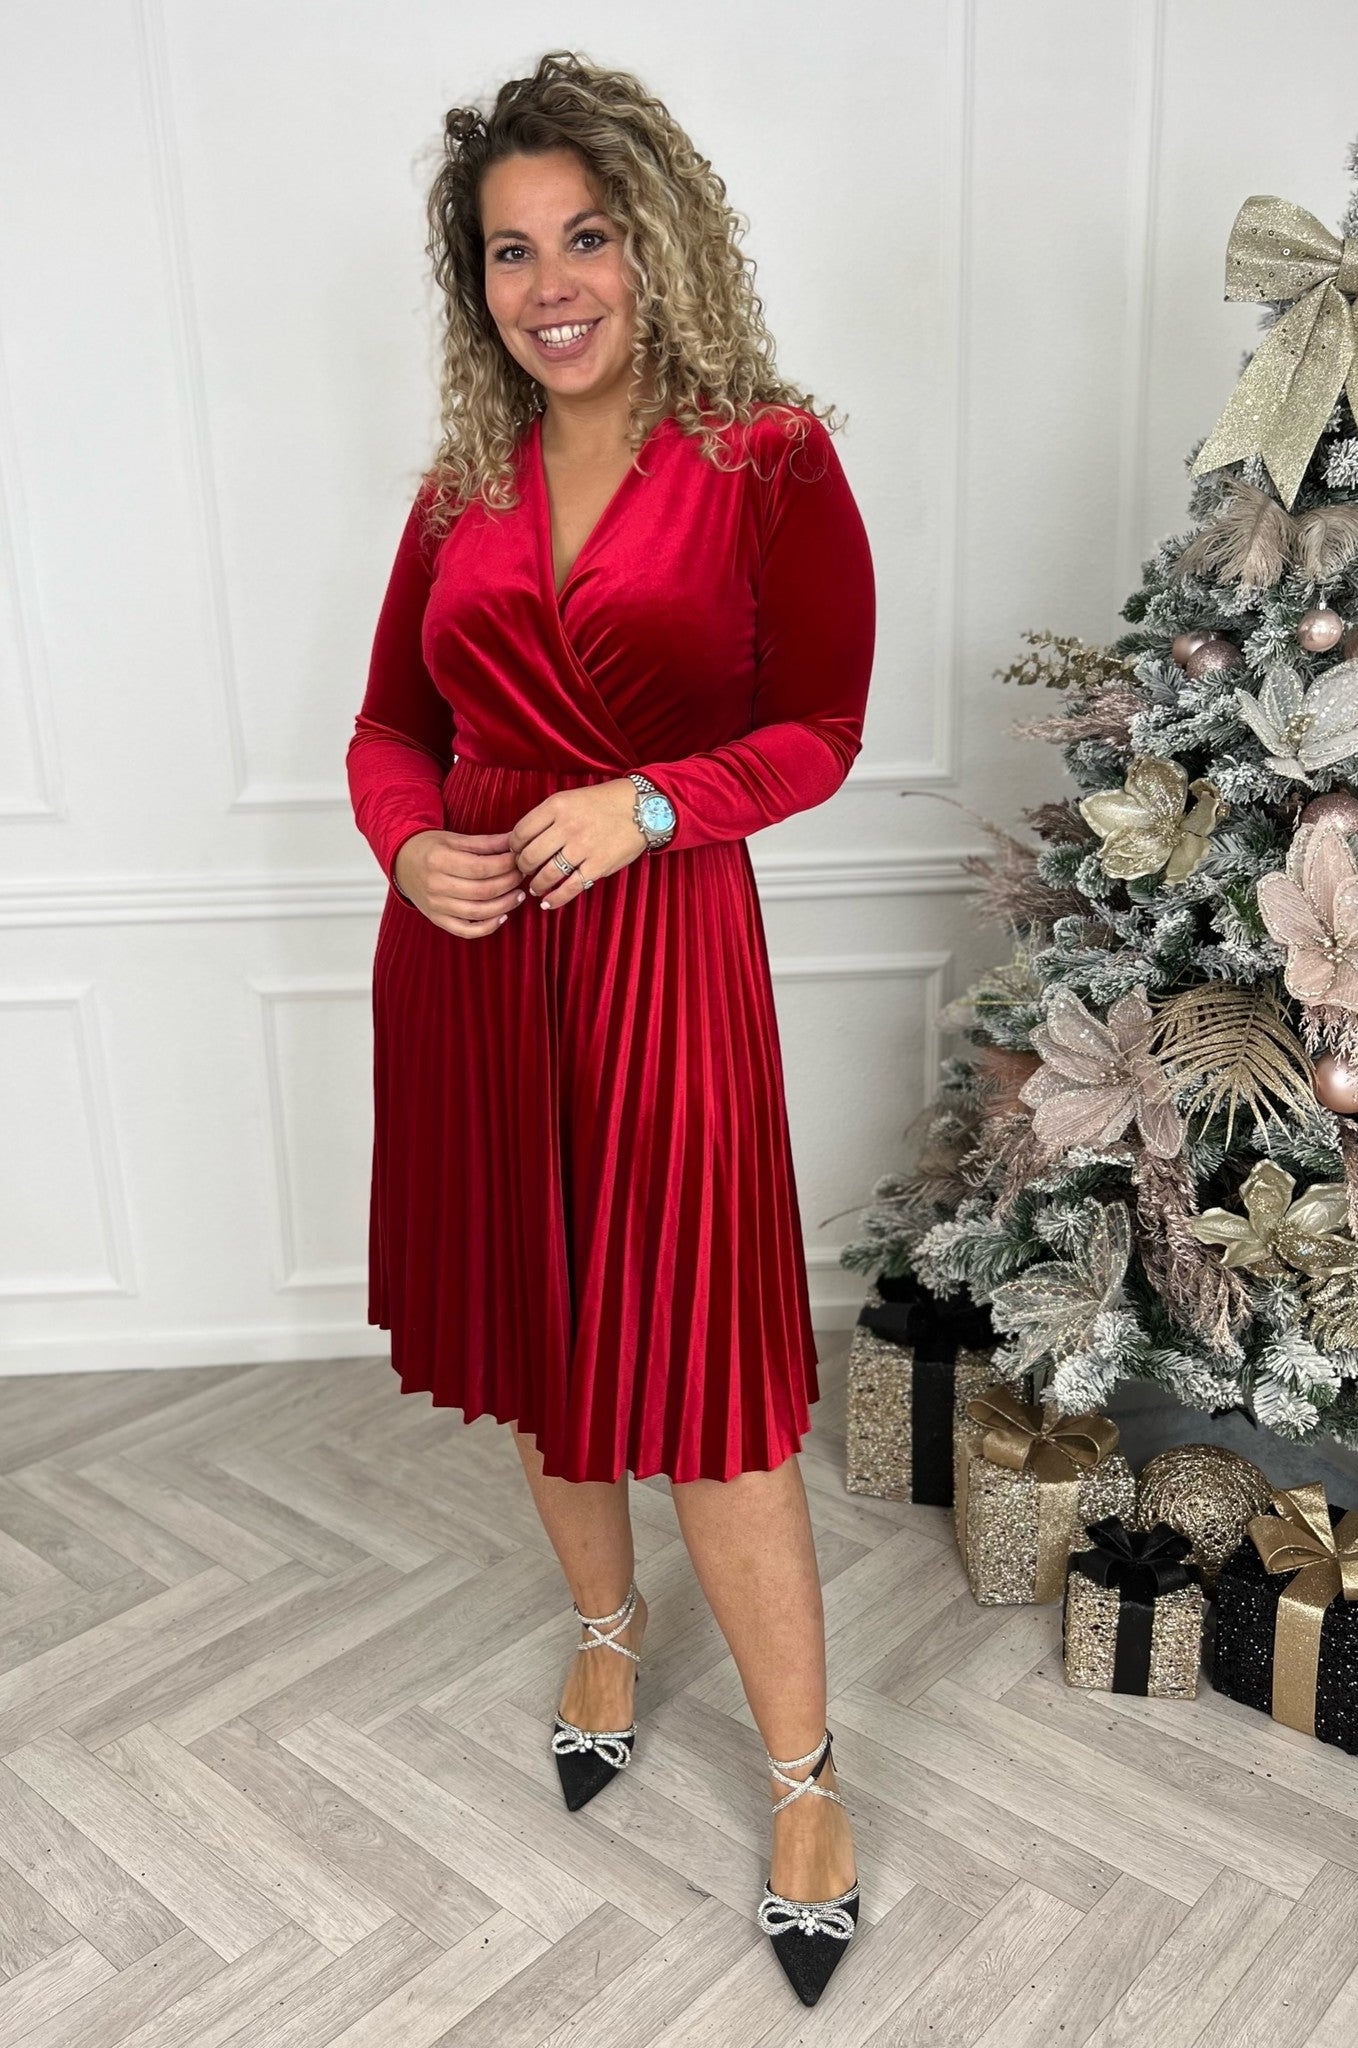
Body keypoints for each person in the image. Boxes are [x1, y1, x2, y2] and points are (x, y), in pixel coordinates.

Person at [345, 49, 876, 2007]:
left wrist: (651, 803)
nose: (548, 282)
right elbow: (388, 727)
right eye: (508, 251)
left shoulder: (767, 461)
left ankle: (804, 1782)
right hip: (476, 955)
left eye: (583, 236)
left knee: (709, 1383)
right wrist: (410, 844)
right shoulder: (460, 487)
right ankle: (600, 1625)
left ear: (653, 244)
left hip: (661, 952)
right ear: (472, 282)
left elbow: (821, 725)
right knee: (538, 1334)